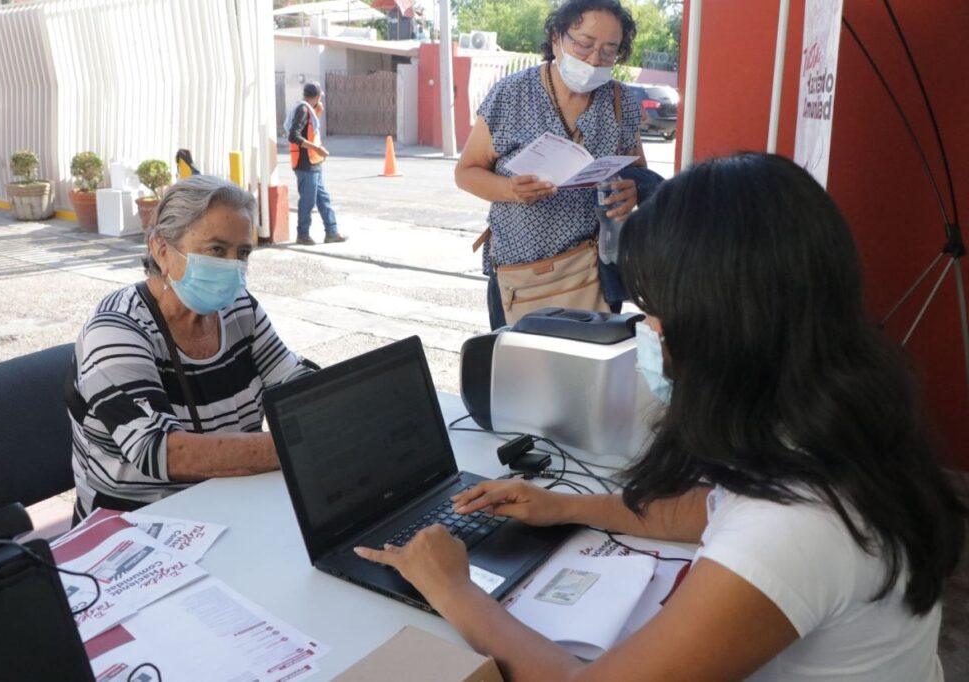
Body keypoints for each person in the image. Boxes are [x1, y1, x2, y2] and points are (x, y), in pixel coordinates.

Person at [356, 153, 966, 681]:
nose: (649, 330)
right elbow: (717, 507)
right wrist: (568, 507)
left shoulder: (796, 526)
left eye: (653, 310)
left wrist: (454, 589)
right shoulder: (829, 429)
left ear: (723, 330)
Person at [66, 175, 314, 520]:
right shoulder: (116, 329)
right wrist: (300, 444)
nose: (232, 265)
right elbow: (162, 450)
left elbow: (297, 384)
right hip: (138, 528)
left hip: (229, 504)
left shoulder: (239, 309)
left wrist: (335, 405)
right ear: (161, 248)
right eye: (216, 249)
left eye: (242, 253)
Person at [455, 0, 646, 330]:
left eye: (608, 51)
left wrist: (634, 190)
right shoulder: (511, 94)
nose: (593, 59)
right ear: (557, 38)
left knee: (587, 378)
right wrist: (509, 190)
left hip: (592, 275)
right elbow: (465, 172)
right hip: (519, 276)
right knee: (521, 376)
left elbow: (636, 171)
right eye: (584, 44)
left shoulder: (621, 100)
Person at [288, 82, 347, 246]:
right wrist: (317, 148)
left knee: (323, 199)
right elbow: (294, 136)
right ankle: (302, 234)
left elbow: (311, 132)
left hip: (314, 162)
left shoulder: (310, 110)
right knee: (307, 201)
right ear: (317, 96)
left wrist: (318, 109)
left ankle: (332, 232)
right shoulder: (303, 110)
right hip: (305, 164)